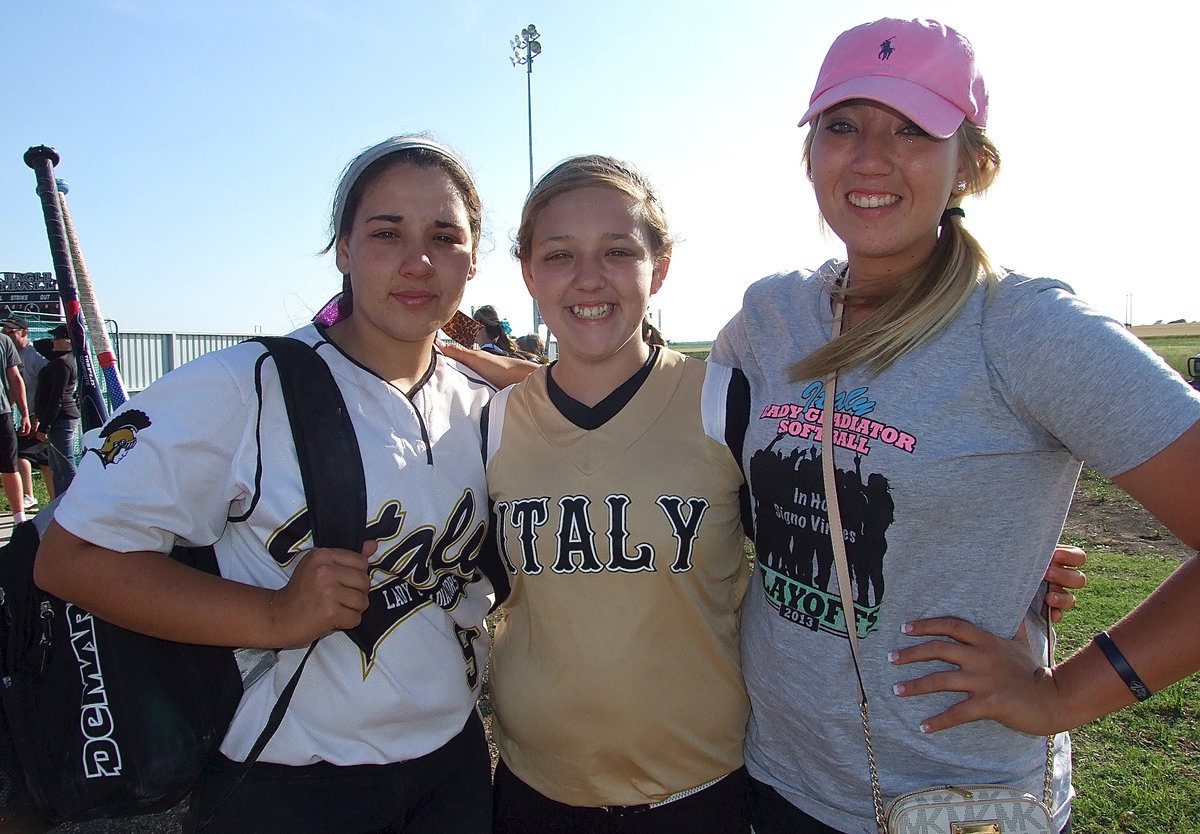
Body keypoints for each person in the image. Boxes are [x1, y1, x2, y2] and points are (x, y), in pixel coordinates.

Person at [709, 18, 1200, 834]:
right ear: (810, 152)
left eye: (912, 129)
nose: (870, 156)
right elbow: (689, 450)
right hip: (776, 778)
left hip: (958, 803)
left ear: (968, 163)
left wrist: (1064, 693)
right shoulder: (772, 315)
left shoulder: (1024, 329)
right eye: (842, 125)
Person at [34, 135, 498, 834]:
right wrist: (274, 616)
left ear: (472, 258)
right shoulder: (242, 387)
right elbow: (70, 558)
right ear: (341, 249)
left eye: (445, 236)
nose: (418, 261)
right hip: (290, 781)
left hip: (455, 767)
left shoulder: (484, 403)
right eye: (386, 232)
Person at [483, 155, 754, 833]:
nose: (587, 278)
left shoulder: (724, 402)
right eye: (559, 254)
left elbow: (821, 557)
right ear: (528, 272)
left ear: (658, 267)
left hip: (699, 793)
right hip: (534, 793)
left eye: (617, 251)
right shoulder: (491, 424)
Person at [2, 316, 51, 507]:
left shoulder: (35, 357)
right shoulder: (11, 354)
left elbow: (52, 385)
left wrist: (38, 416)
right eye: (5, 332)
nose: (8, 335)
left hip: (40, 416)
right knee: (41, 460)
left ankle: (34, 497)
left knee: (25, 455)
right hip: (28, 417)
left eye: (12, 332)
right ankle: (39, 498)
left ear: (24, 332)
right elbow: (13, 386)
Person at [32, 324, 80, 496]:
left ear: (67, 340)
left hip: (61, 419)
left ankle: (77, 499)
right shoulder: (61, 358)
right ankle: (60, 502)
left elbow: (56, 398)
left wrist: (45, 426)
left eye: (57, 338)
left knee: (65, 465)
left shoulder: (63, 364)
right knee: (56, 466)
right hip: (58, 419)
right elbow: (39, 344)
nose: (52, 341)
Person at [0, 327, 30, 523]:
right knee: (10, 467)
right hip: (3, 413)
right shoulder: (5, 339)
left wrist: (25, 413)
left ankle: (20, 521)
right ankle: (19, 520)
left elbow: (16, 378)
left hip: (2, 412)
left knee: (10, 467)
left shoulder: (3, 341)